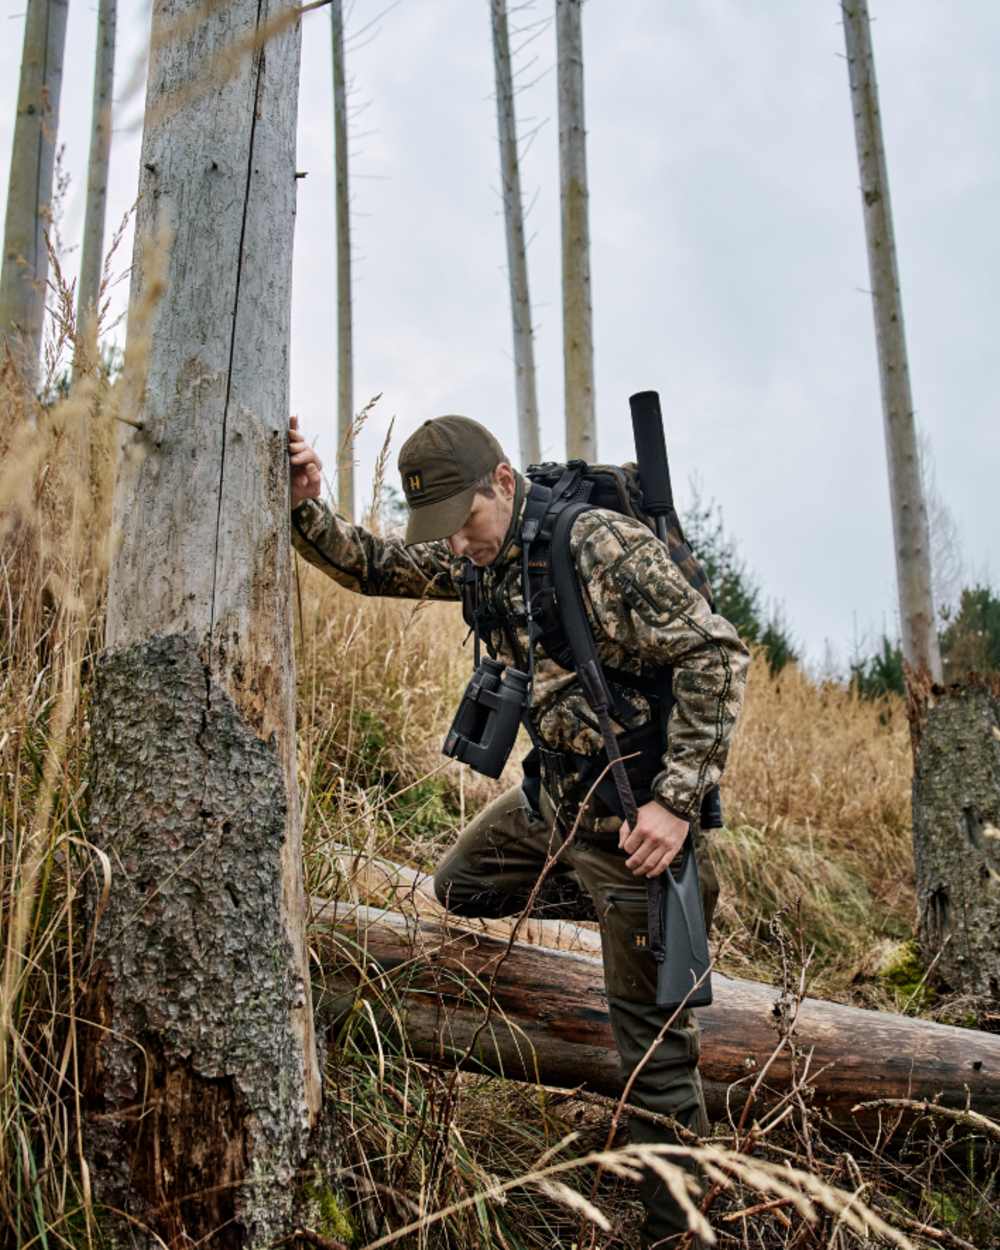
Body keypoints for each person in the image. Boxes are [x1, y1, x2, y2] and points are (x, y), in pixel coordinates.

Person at [288, 413, 749, 1248]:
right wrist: (304, 505)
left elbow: (717, 654)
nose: (457, 544)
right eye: (443, 530)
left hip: (631, 829)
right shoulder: (483, 551)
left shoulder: (595, 546)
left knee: (654, 1058)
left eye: (465, 521)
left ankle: (674, 1232)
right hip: (551, 804)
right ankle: (616, 924)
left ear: (503, 482)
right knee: (460, 886)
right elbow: (375, 565)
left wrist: (676, 805)